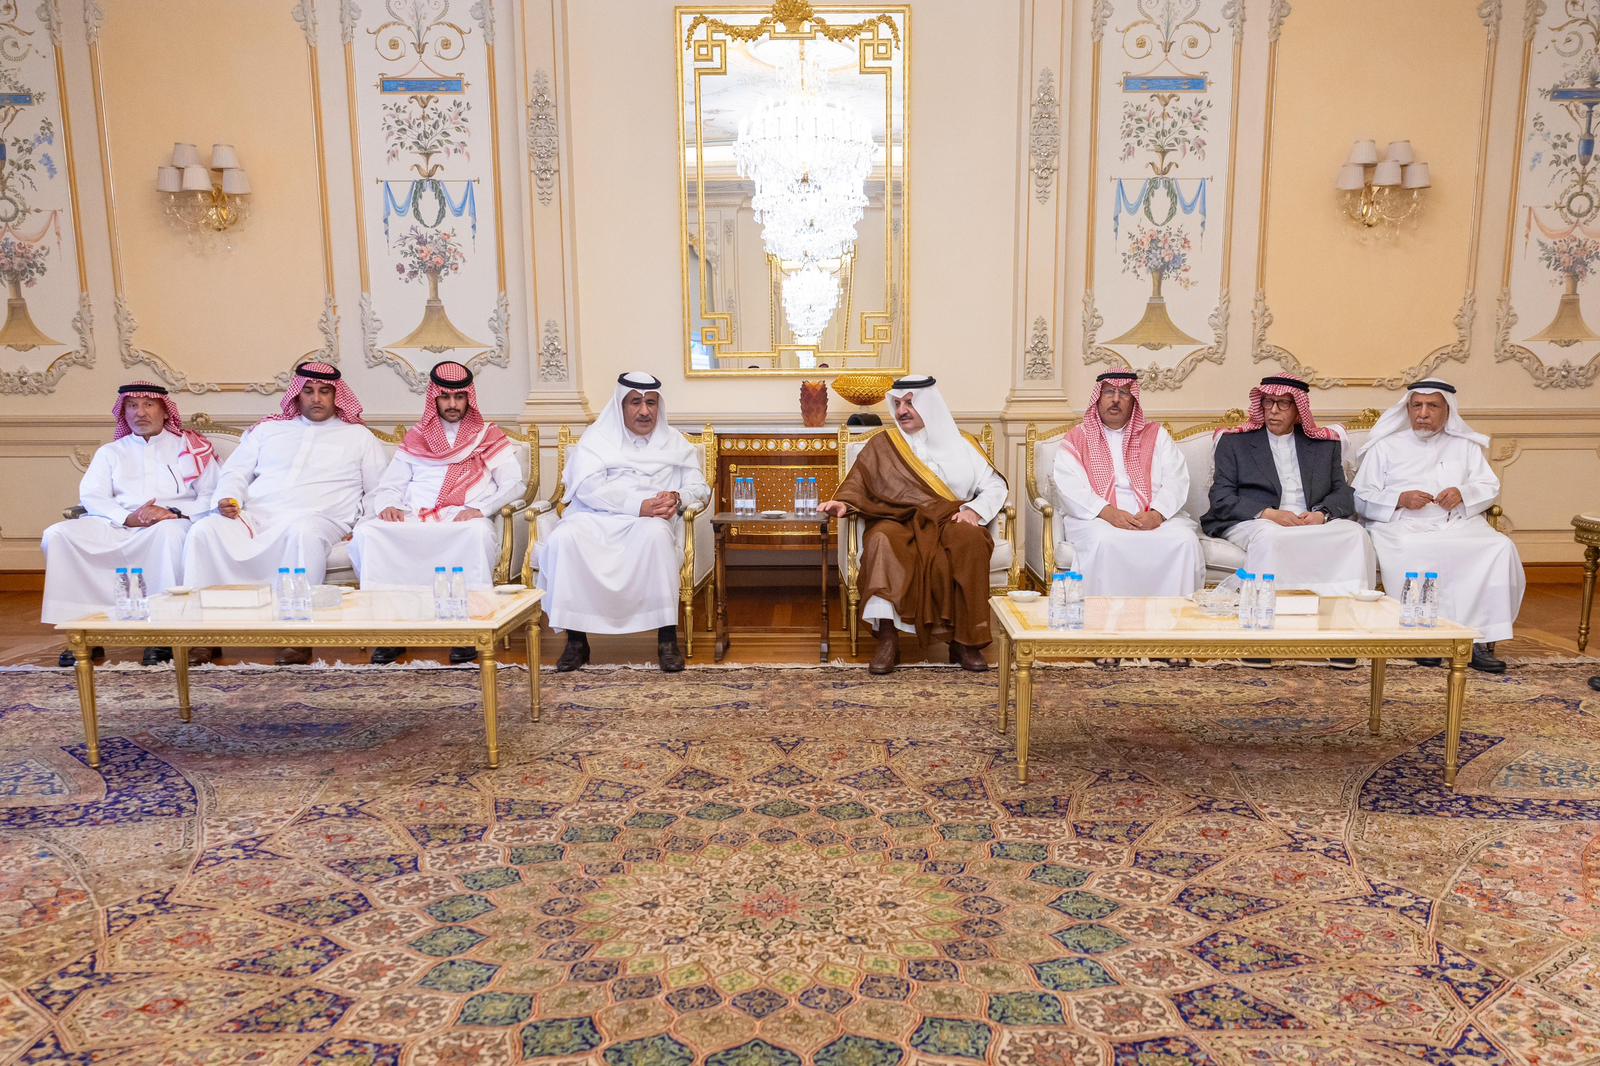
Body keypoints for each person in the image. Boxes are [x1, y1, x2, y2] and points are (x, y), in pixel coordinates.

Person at [182, 362, 387, 665]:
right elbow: (235, 471)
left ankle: (297, 634)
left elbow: (377, 489)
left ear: (336, 396)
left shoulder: (358, 436)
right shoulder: (268, 431)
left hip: (321, 517)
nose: (316, 398)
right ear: (297, 395)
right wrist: (228, 497)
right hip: (257, 515)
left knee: (303, 532)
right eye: (309, 391)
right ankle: (205, 635)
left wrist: (362, 525)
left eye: (325, 391)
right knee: (205, 531)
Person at [819, 376, 1007, 675]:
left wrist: (974, 510)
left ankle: (965, 642)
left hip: (950, 517)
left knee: (970, 541)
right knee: (880, 540)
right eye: (897, 404)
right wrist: (844, 504)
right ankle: (888, 639)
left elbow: (995, 486)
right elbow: (858, 483)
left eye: (909, 403)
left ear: (930, 404)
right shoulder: (884, 444)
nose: (901, 411)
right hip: (896, 517)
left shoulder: (964, 444)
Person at [351, 361, 526, 665]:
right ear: (434, 398)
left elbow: (514, 484)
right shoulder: (417, 436)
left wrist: (480, 509)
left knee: (476, 533)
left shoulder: (487, 435)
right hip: (415, 515)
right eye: (445, 397)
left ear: (469, 398)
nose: (452, 404)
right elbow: (390, 485)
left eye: (459, 397)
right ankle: (392, 630)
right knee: (368, 533)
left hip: (461, 516)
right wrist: (388, 505)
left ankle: (468, 630)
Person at [536, 372, 710, 673]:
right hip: (596, 517)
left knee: (657, 536)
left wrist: (677, 496)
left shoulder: (674, 442)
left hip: (650, 522)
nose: (644, 411)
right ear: (621, 405)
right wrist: (636, 505)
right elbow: (587, 488)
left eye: (651, 403)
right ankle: (576, 642)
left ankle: (667, 639)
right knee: (565, 538)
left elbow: (700, 488)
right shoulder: (597, 440)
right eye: (635, 403)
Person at [41, 382, 219, 666]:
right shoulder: (111, 452)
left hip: (172, 521)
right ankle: (83, 631)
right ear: (123, 412)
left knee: (168, 535)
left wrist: (172, 511)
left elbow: (212, 493)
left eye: (148, 405)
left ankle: (162, 634)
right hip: (117, 522)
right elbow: (92, 495)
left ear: (165, 411)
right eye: (132, 406)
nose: (140, 413)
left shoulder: (191, 448)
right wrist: (127, 518)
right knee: (58, 535)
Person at [1353, 379, 1523, 674]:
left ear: (1447, 410)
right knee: (1413, 547)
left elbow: (1487, 487)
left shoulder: (1466, 445)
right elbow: (1360, 496)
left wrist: (1463, 493)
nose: (1423, 413)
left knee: (1498, 547)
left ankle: (1477, 640)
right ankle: (1424, 638)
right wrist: (1399, 499)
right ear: (1407, 409)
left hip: (1455, 522)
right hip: (1403, 525)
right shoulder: (1385, 446)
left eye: (1432, 406)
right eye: (1417, 406)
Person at [1202, 375, 1375, 597]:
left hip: (1309, 519)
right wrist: (1268, 514)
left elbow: (1342, 492)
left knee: (1355, 534)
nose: (1273, 410)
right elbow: (1221, 497)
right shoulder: (1234, 443)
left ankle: (1343, 603)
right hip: (1256, 521)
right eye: (1268, 402)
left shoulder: (1323, 446)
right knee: (1271, 537)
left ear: (1298, 411)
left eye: (1283, 403)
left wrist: (1321, 515)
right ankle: (1267, 603)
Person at [1052, 370, 1204, 596]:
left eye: (1123, 393)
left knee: (1185, 541)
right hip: (1098, 518)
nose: (1115, 399)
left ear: (1133, 401)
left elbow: (1177, 479)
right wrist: (1108, 513)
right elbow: (1069, 487)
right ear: (1098, 398)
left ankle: (1172, 615)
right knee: (1105, 541)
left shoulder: (1156, 435)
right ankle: (1104, 615)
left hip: (1150, 517)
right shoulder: (1077, 438)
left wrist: (1157, 514)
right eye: (1109, 392)